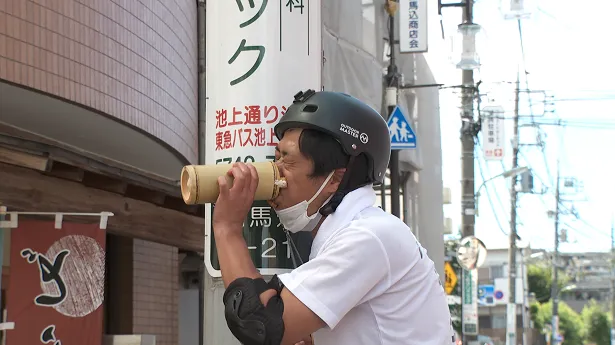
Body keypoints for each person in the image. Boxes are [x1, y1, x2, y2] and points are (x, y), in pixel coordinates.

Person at [212, 89, 454, 345]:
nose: (276, 173)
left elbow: (260, 324)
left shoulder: (368, 236)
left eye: (288, 161)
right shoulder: (360, 233)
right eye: (276, 157)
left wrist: (227, 227)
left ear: (337, 177)